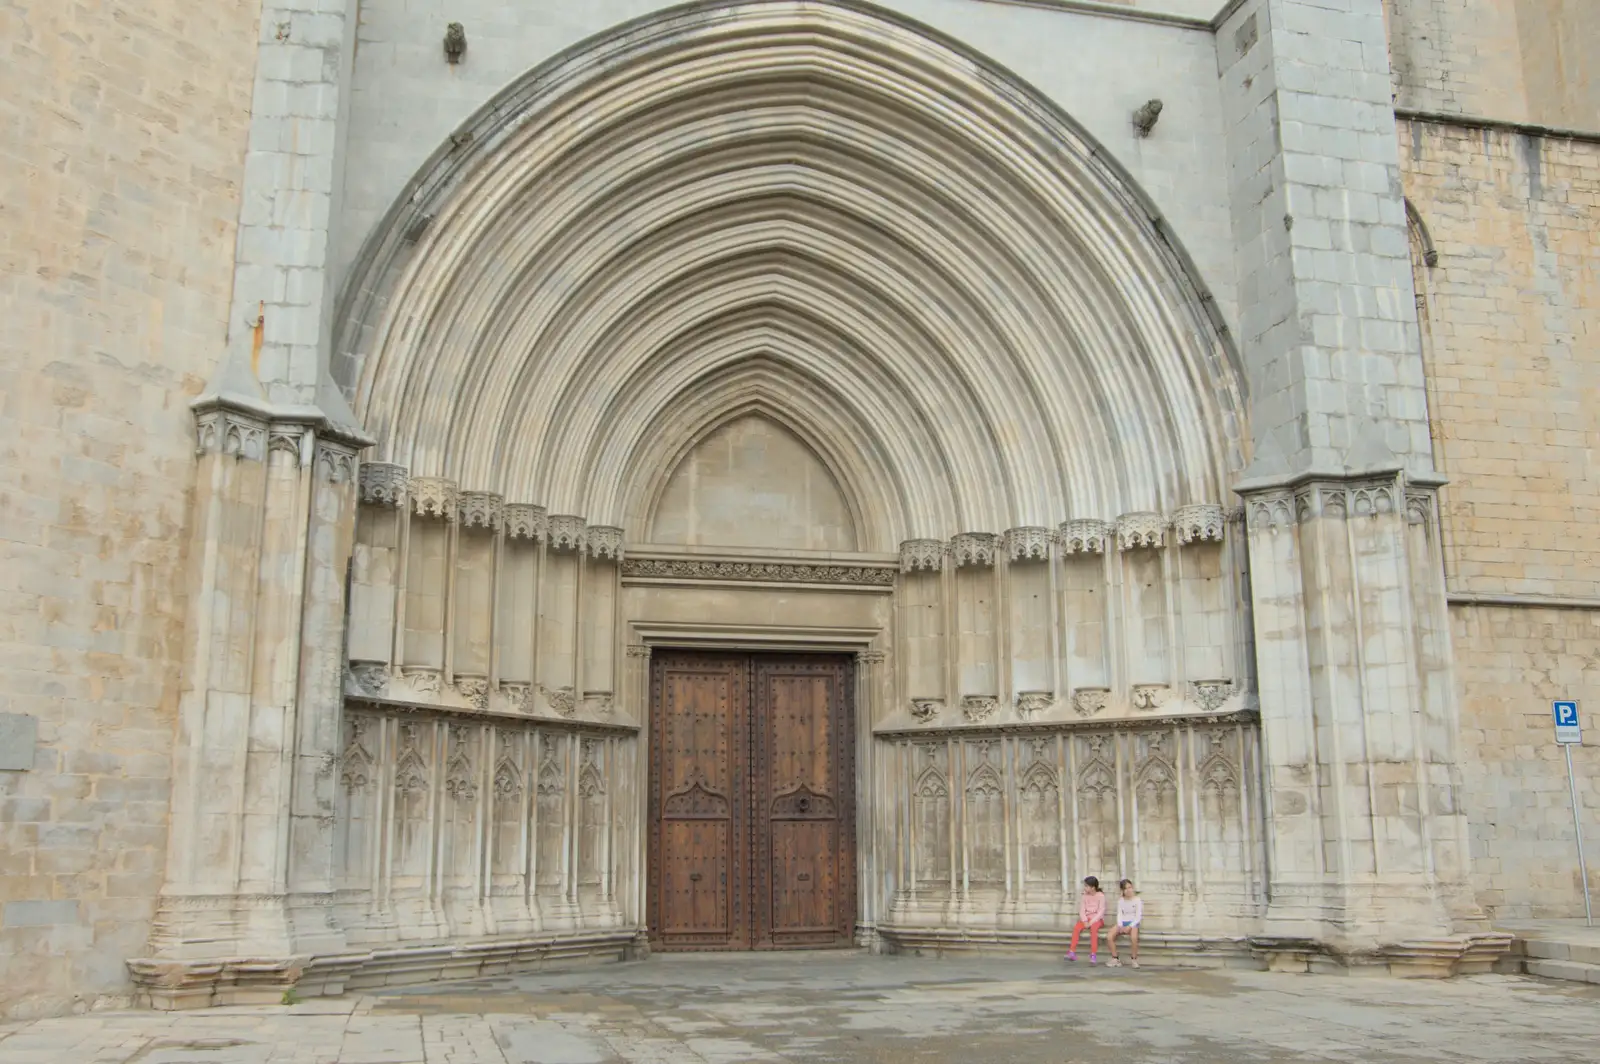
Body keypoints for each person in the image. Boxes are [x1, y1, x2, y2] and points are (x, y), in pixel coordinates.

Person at [1066, 875, 1105, 963]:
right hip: (1086, 918)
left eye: (1087, 886)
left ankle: (1093, 954)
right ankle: (1072, 951)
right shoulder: (1084, 896)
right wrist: (1085, 920)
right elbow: (1082, 910)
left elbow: (1101, 911)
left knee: (1094, 930)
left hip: (1096, 919)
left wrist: (1090, 922)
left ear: (1093, 887)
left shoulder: (1101, 896)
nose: (1085, 888)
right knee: (1076, 928)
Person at [1105, 879, 1142, 968]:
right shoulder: (1121, 900)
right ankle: (1115, 958)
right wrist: (1120, 925)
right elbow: (1120, 914)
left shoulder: (1137, 900)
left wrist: (1130, 926)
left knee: (1134, 938)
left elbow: (1138, 916)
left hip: (1133, 922)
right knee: (1109, 936)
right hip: (1123, 922)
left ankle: (1134, 959)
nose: (1128, 890)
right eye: (1126, 888)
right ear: (1123, 891)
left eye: (1130, 887)